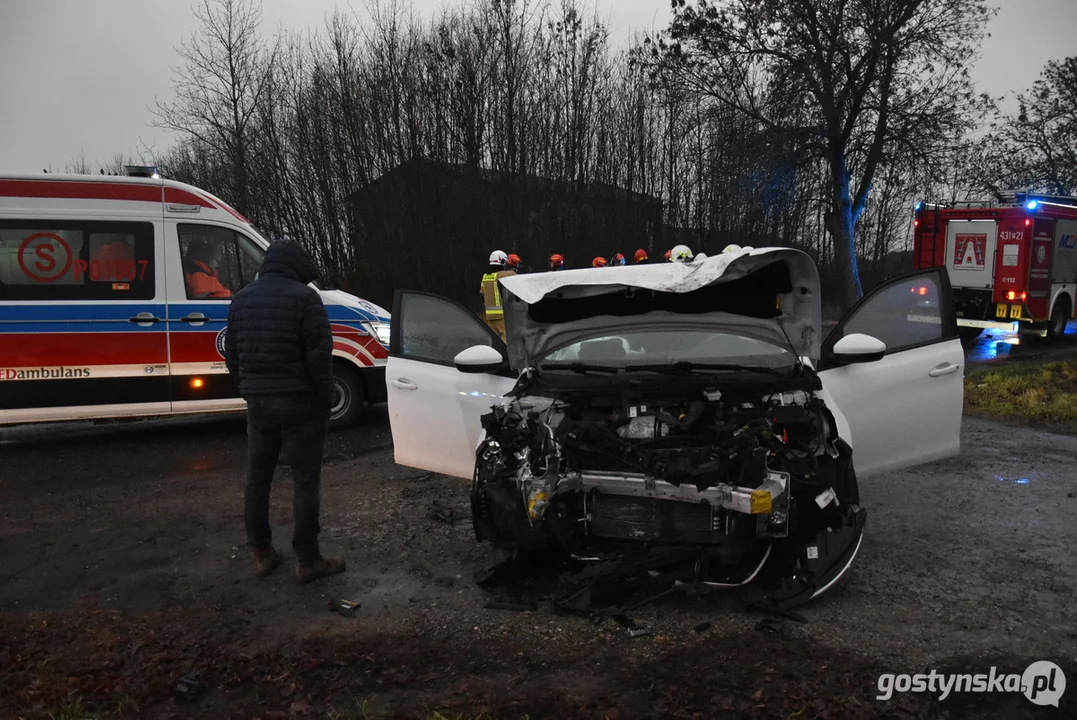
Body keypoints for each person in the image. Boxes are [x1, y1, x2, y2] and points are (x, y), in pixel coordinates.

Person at [224, 240, 344, 584]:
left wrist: (247, 385)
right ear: (295, 267)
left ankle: (262, 554)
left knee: (257, 479)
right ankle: (308, 560)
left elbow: (232, 353)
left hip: (258, 404)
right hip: (301, 403)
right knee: (305, 481)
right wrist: (325, 399)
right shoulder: (306, 299)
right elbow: (319, 358)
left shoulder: (241, 299)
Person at [481, 250, 513, 339]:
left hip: (489, 316)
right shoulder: (503, 275)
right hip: (501, 315)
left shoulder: (485, 277)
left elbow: (482, 295)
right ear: (502, 262)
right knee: (507, 339)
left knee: (494, 340)